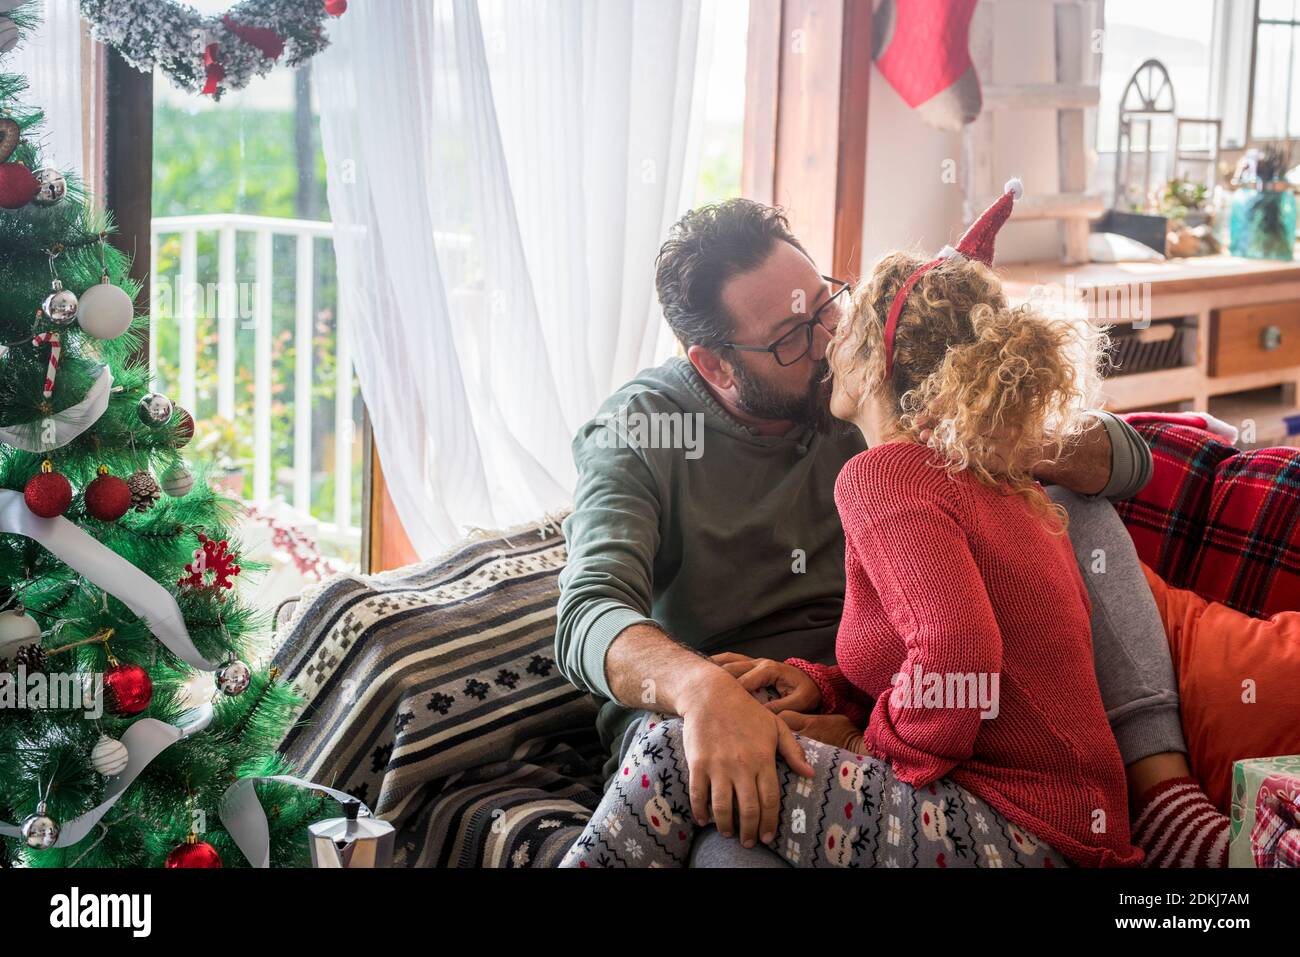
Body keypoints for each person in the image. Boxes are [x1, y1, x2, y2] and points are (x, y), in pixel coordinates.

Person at [554, 191, 1200, 868]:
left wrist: (982, 423)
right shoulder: (642, 430)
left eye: (827, 302)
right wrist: (700, 690)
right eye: (790, 336)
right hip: (749, 714)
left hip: (903, 729)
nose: (831, 339)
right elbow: (588, 611)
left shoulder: (870, 395)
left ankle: (1168, 798)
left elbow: (1129, 460)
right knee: (726, 839)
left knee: (1079, 504)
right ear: (713, 364)